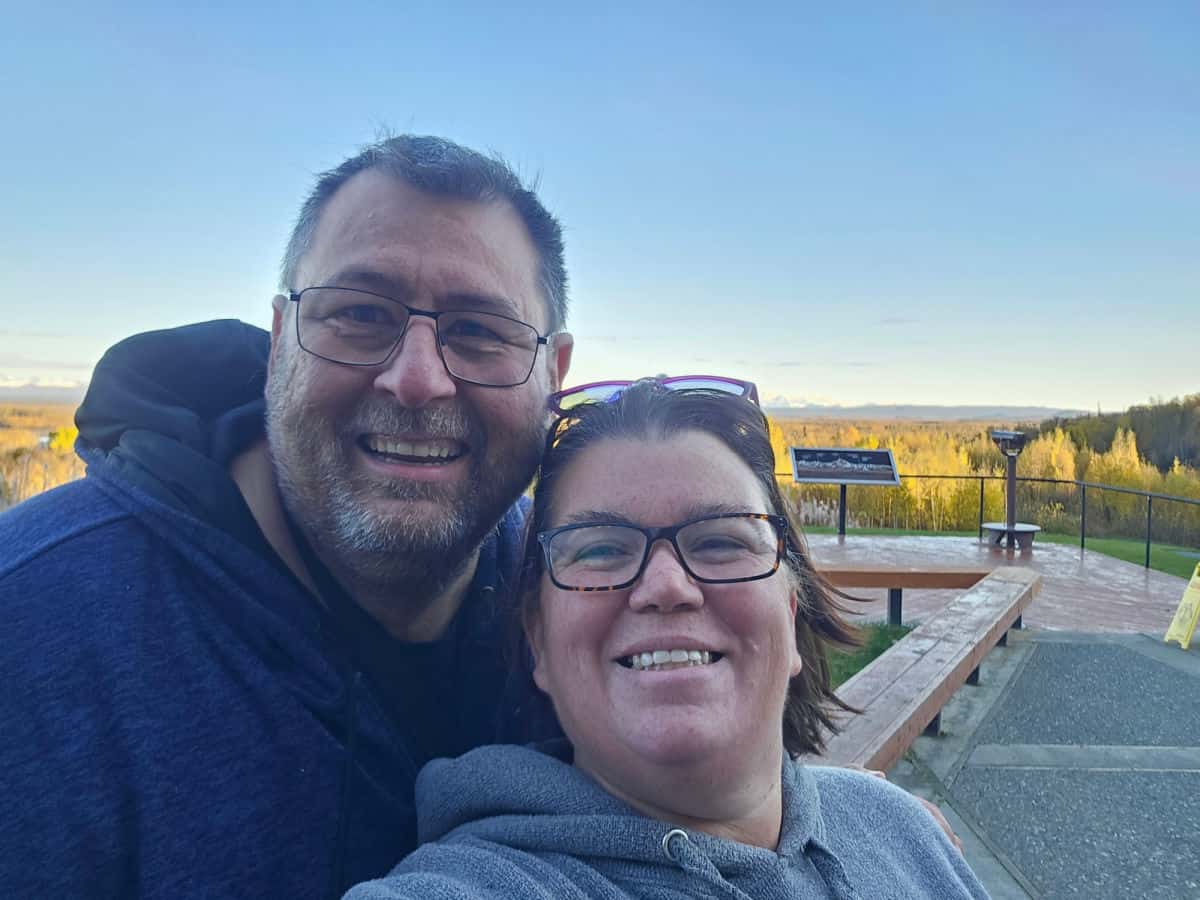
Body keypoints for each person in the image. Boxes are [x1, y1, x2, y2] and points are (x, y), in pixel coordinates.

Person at [0, 134, 572, 898]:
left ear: (553, 374)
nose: (416, 380)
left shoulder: (590, 612)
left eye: (478, 331)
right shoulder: (30, 624)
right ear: (279, 342)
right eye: (361, 314)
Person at [346, 380, 988, 899]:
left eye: (720, 540)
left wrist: (878, 820)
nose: (666, 586)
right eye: (599, 549)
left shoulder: (902, 834)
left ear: (791, 616)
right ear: (537, 642)